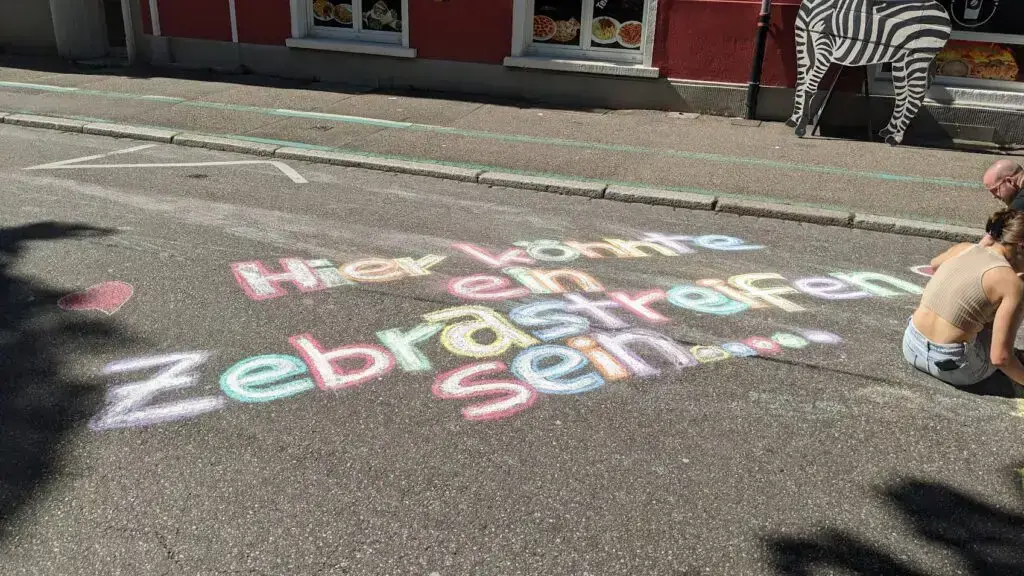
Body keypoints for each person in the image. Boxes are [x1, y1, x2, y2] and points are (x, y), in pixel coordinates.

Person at [903, 208, 1024, 389]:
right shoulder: (1010, 282)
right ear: (1021, 245)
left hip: (911, 344)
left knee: (983, 302)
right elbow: (1000, 358)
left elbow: (935, 264)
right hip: (954, 367)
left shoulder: (965, 249)